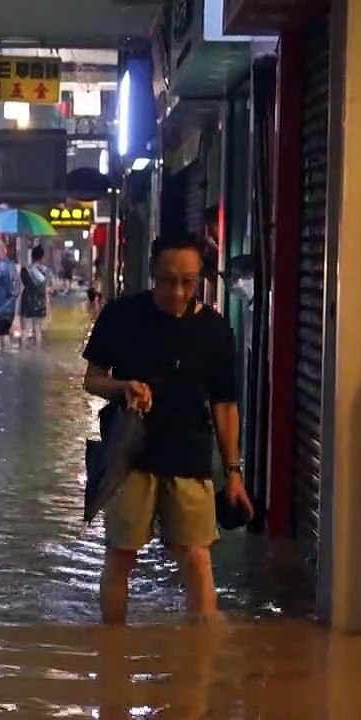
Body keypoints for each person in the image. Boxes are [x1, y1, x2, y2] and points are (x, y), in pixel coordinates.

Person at [80, 233, 254, 624]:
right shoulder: (121, 316)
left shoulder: (214, 329)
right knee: (121, 556)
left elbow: (224, 404)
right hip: (130, 457)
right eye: (168, 280)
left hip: (189, 456)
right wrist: (123, 387)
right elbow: (92, 379)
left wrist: (233, 471)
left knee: (197, 559)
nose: (177, 292)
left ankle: (200, 665)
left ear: (200, 280)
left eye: (188, 282)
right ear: (152, 274)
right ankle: (111, 658)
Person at [19, 245, 51, 347]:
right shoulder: (46, 271)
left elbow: (23, 284)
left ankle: (23, 352)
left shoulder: (26, 269)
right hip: (40, 301)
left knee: (25, 329)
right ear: (42, 257)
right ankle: (38, 350)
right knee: (37, 329)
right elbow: (48, 286)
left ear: (32, 256)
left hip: (27, 300)